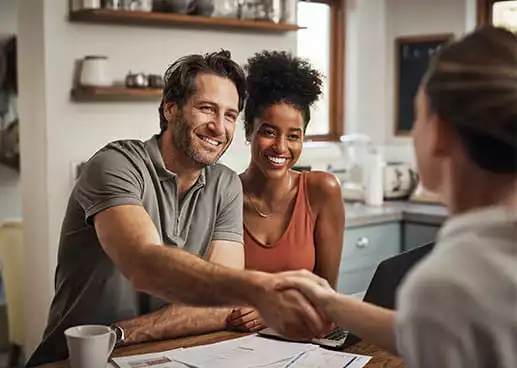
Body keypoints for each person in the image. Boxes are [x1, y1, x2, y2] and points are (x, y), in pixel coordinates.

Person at [26, 50, 328, 366]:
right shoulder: (115, 165)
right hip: (76, 360)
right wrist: (256, 289)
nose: (219, 127)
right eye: (207, 109)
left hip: (166, 356)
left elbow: (224, 301)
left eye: (229, 115)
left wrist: (125, 332)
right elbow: (144, 263)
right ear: (171, 109)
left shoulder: (225, 184)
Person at [277, 26, 517, 368]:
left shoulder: (447, 285)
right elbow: (426, 329)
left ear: (441, 133)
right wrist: (331, 303)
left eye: (417, 116)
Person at [226, 51, 345, 333]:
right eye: (269, 132)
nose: (281, 148)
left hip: (302, 342)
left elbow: (327, 298)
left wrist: (270, 310)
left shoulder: (321, 191)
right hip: (231, 343)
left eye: (293, 136)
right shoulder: (224, 194)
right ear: (248, 131)